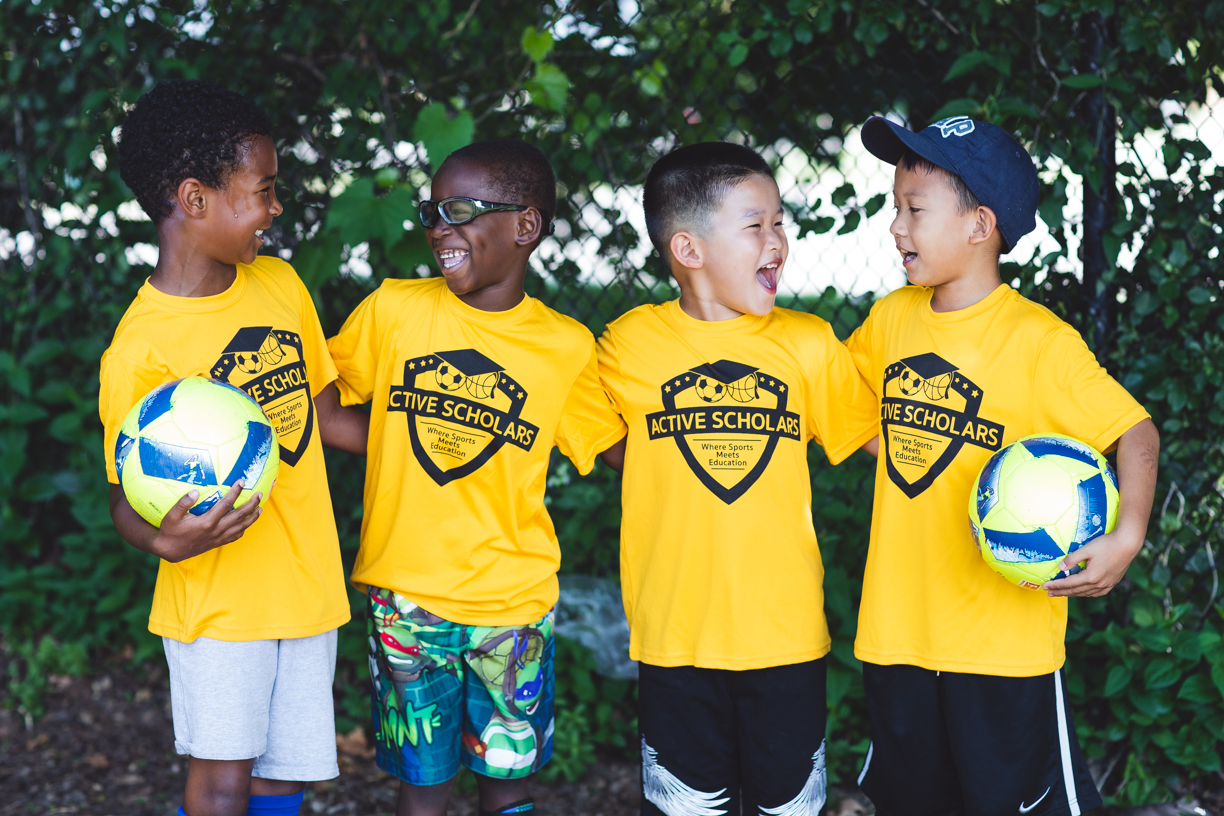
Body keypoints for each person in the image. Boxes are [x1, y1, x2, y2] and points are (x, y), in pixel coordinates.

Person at [846, 115, 1161, 816]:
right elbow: (848, 409)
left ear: (979, 225)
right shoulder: (891, 320)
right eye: (895, 208)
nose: (896, 227)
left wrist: (1129, 533)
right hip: (897, 634)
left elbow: (1134, 431)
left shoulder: (1040, 342)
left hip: (1003, 650)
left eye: (914, 210)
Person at [326, 138, 627, 816]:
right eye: (430, 211)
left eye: (459, 210)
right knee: (422, 787)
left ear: (526, 225)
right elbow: (325, 408)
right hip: (407, 599)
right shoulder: (395, 310)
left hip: (513, 603)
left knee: (508, 783)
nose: (438, 228)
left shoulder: (564, 346)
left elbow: (618, 452)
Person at [101, 80, 368, 816]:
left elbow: (322, 413)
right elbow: (121, 498)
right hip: (218, 601)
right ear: (195, 199)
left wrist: (408, 444)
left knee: (283, 779)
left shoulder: (279, 284)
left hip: (307, 583)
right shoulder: (142, 348)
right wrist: (164, 542)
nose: (275, 209)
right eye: (263, 191)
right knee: (222, 782)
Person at [596, 142, 879, 816]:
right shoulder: (626, 346)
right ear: (688, 249)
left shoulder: (808, 342)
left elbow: (889, 448)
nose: (777, 241)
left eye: (780, 222)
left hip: (785, 636)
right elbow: (605, 440)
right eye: (756, 226)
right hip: (675, 637)